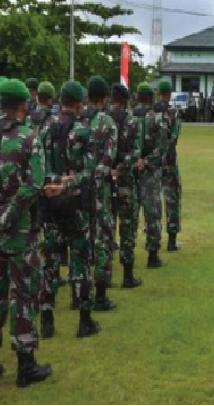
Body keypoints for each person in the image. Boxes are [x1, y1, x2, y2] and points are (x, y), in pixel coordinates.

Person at [0, 79, 52, 387]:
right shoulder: (30, 139)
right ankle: (25, 365)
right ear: (22, 105)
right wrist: (6, 216)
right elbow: (34, 186)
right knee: (24, 295)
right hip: (19, 232)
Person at [38, 81, 100, 339]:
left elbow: (37, 168)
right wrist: (69, 182)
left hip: (50, 203)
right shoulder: (83, 131)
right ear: (78, 103)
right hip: (75, 204)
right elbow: (89, 170)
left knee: (50, 261)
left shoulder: (44, 130)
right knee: (80, 261)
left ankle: (47, 320)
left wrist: (50, 184)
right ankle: (84, 320)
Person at [81, 76, 117, 311]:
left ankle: (79, 294)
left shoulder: (77, 119)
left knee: (81, 239)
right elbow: (109, 157)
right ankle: (101, 295)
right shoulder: (107, 123)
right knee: (103, 238)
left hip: (77, 188)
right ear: (104, 99)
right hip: (100, 189)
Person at [108, 84, 143, 289]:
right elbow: (136, 152)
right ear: (125, 100)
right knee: (127, 227)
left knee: (107, 228)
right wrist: (121, 168)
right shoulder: (131, 121)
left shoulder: (102, 120)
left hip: (106, 181)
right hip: (126, 181)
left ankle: (105, 277)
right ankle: (128, 276)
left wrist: (109, 169)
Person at [131, 83, 168, 269]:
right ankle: (152, 255)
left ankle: (127, 254)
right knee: (152, 213)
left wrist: (132, 160)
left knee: (130, 214)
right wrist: (146, 161)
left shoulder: (129, 118)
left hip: (130, 172)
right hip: (150, 173)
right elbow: (162, 147)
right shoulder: (155, 119)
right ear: (151, 98)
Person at [156, 80, 183, 251]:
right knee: (172, 198)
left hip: (153, 162)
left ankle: (153, 239)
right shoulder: (173, 113)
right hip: (169, 162)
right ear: (169, 94)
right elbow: (174, 137)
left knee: (153, 200)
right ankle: (172, 240)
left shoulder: (150, 112)